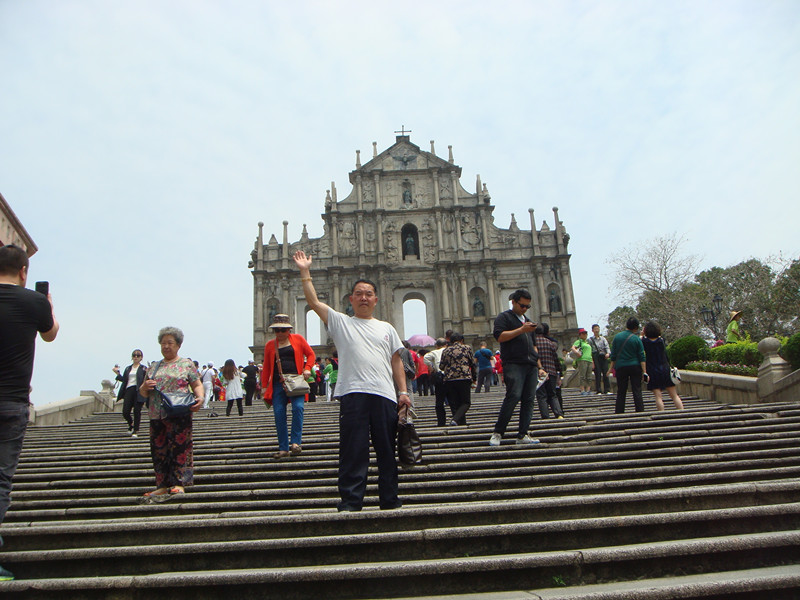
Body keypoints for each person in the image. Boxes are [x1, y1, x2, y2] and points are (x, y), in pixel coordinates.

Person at [294, 250, 409, 511]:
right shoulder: (341, 323)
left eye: (368, 294)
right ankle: (351, 500)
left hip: (385, 395)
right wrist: (305, 271)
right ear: (351, 299)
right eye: (359, 293)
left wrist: (403, 392)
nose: (364, 297)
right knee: (352, 449)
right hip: (353, 393)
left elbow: (396, 362)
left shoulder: (387, 328)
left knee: (386, 449)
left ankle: (390, 499)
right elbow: (313, 302)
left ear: (376, 299)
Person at [0, 245, 59, 581]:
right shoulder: (34, 302)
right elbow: (50, 334)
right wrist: (48, 305)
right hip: (11, 403)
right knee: (0, 480)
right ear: (24, 271)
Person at [139, 326, 204, 502]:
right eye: (163, 343)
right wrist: (144, 387)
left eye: (170, 343)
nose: (166, 346)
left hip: (179, 412)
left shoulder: (186, 364)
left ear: (178, 345)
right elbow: (143, 392)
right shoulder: (153, 367)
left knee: (181, 448)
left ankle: (180, 482)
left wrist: (200, 397)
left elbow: (197, 384)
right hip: (157, 414)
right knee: (159, 450)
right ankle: (161, 485)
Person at [489, 289, 547, 447]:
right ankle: (498, 432)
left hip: (530, 365)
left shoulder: (528, 321)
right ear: (513, 302)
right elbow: (499, 336)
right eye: (522, 306)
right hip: (514, 363)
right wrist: (521, 330)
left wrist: (539, 366)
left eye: (527, 306)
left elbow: (533, 345)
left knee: (529, 399)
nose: (525, 309)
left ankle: (523, 434)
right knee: (513, 396)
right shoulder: (504, 317)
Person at [261, 314, 315, 458]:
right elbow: (266, 367)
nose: (280, 333)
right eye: (277, 330)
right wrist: (264, 386)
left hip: (296, 382)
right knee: (279, 413)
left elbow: (311, 355)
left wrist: (307, 368)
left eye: (283, 330)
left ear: (289, 330)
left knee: (298, 408)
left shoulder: (298, 339)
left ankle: (296, 442)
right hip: (278, 384)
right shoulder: (270, 345)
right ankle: (283, 448)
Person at [642, 321, 684, 411]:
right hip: (665, 369)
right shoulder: (661, 341)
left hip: (652, 370)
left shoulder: (645, 342)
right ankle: (681, 410)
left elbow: (640, 341)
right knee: (674, 395)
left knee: (658, 396)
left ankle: (661, 413)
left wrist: (642, 334)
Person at [608, 317, 648, 413]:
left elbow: (613, 355)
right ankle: (640, 410)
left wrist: (610, 369)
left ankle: (619, 411)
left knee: (621, 390)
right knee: (637, 389)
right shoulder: (636, 339)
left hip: (621, 367)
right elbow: (642, 356)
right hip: (635, 366)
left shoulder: (617, 337)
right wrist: (644, 371)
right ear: (636, 328)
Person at [439, 332, 473, 426]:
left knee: (456, 403)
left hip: (450, 379)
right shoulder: (466, 348)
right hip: (464, 377)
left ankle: (461, 423)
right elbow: (472, 363)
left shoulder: (446, 350)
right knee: (466, 402)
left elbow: (441, 366)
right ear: (462, 340)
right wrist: (474, 377)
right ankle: (455, 419)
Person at [112, 350, 147, 437]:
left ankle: (135, 430)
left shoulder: (143, 368)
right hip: (129, 390)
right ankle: (131, 424)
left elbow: (146, 380)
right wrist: (117, 374)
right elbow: (124, 380)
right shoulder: (128, 368)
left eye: (138, 355)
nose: (136, 357)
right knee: (125, 411)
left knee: (137, 411)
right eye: (134, 355)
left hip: (139, 390)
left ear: (141, 358)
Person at [535, 323, 563, 419]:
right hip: (551, 371)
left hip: (539, 373)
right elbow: (556, 359)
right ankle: (559, 413)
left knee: (541, 395)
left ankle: (545, 416)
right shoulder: (549, 343)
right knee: (553, 394)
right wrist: (559, 373)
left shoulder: (532, 344)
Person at [424, 338, 449, 426]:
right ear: (446, 345)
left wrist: (431, 367)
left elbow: (425, 358)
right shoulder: (449, 351)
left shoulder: (434, 352)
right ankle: (456, 418)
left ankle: (441, 422)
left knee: (439, 401)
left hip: (439, 376)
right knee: (453, 399)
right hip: (450, 376)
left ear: (437, 346)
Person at [589, 324, 612, 395]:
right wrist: (592, 360)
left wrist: (608, 353)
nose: (597, 330)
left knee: (606, 372)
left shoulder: (603, 339)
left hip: (603, 356)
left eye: (598, 329)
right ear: (592, 330)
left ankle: (607, 389)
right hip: (595, 356)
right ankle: (598, 390)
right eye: (595, 329)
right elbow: (589, 350)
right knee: (597, 373)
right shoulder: (590, 340)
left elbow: (607, 346)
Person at [571, 328, 593, 395]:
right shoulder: (579, 341)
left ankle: (588, 389)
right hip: (582, 359)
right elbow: (573, 348)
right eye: (583, 333)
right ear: (580, 335)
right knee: (582, 375)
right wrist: (577, 353)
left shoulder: (587, 342)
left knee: (589, 376)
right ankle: (582, 389)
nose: (585, 335)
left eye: (586, 333)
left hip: (589, 359)